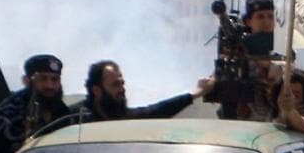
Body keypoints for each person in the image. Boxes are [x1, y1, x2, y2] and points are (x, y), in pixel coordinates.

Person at [73, 61, 215, 122]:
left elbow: (155, 111)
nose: (122, 89)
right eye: (115, 85)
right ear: (97, 90)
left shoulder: (120, 116)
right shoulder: (74, 118)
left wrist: (196, 93)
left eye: (122, 83)